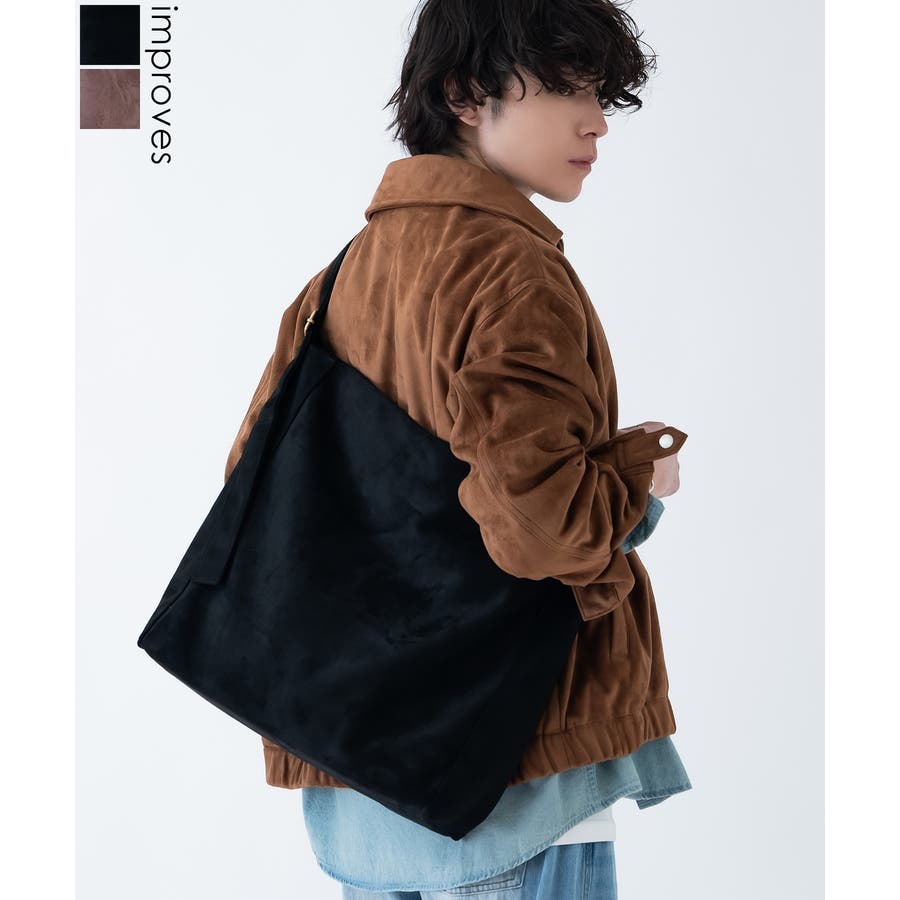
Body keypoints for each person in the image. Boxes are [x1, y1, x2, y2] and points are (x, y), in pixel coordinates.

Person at [224, 1, 692, 896]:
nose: (596, 121)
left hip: (365, 774)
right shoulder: (510, 271)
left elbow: (256, 486)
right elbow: (542, 529)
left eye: (601, 93)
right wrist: (640, 479)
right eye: (568, 88)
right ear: (466, 95)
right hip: (511, 782)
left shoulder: (342, 277)